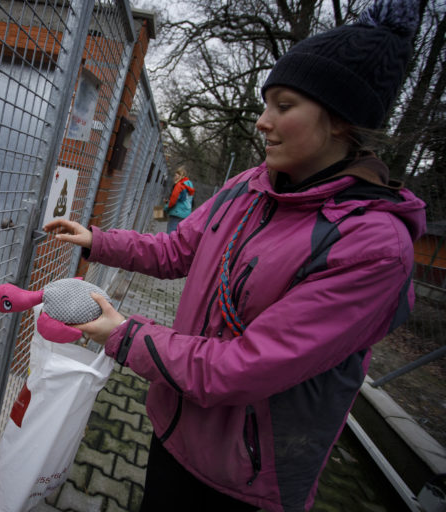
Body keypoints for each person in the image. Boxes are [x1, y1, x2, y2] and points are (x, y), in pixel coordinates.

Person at [43, 0, 426, 510]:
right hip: (174, 427)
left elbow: (244, 366)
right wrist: (98, 240)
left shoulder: (373, 248)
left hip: (242, 480)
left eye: (284, 106)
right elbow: (179, 249)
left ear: (340, 120)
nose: (263, 122)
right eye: (266, 103)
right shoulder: (249, 186)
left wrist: (124, 335)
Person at [164, 167, 194, 233]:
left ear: (180, 175)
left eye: (176, 175)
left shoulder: (179, 185)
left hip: (176, 213)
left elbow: (173, 201)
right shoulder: (190, 185)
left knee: (170, 235)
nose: (174, 177)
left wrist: (165, 208)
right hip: (186, 214)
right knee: (178, 236)